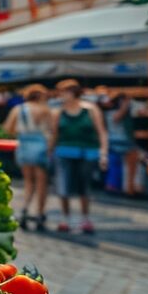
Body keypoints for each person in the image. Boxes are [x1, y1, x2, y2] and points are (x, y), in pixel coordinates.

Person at [49, 79, 108, 234]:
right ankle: (65, 218)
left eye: (64, 92)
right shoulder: (58, 112)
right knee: (63, 186)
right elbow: (54, 135)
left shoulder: (90, 109)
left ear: (73, 93)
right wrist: (48, 153)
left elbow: (101, 132)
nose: (61, 96)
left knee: (85, 187)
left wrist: (103, 153)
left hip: (87, 152)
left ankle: (85, 219)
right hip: (63, 152)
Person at [3, 84, 53, 232]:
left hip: (24, 144)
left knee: (28, 181)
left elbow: (8, 128)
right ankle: (39, 213)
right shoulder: (45, 109)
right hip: (41, 145)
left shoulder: (19, 109)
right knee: (42, 183)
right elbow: (52, 130)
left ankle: (24, 209)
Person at [104, 93, 141, 196]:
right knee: (125, 166)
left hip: (117, 142)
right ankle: (128, 189)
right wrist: (126, 105)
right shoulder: (112, 113)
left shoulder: (112, 112)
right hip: (119, 142)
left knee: (117, 166)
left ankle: (120, 187)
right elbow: (117, 118)